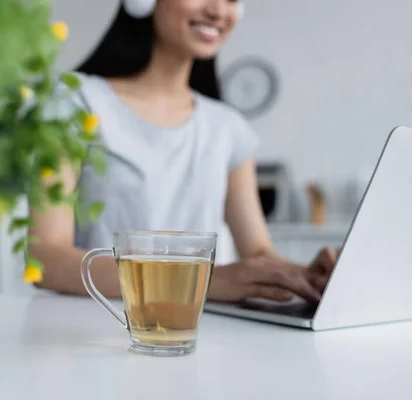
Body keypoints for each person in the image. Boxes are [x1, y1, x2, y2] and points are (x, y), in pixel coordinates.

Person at [30, 0, 338, 303]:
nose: (218, 11)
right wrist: (201, 280)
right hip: (92, 328)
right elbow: (45, 258)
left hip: (194, 334)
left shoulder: (228, 128)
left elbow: (258, 253)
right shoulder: (74, 101)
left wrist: (310, 276)